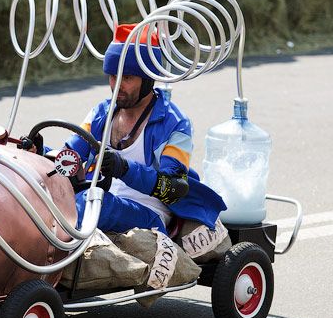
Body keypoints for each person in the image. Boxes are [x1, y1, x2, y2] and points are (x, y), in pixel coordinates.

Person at [23, 24, 226, 236]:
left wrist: (124, 169)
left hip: (149, 214)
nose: (116, 84)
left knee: (92, 202)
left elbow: (175, 188)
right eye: (112, 76)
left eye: (126, 78)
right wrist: (40, 153)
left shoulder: (176, 124)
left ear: (148, 79)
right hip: (99, 198)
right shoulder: (101, 113)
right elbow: (69, 157)